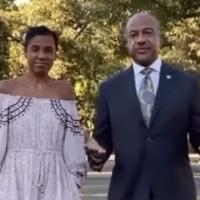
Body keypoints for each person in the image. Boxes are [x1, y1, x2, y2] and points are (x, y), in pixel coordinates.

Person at [85, 11, 200, 200]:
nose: (140, 39)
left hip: (176, 192)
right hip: (126, 193)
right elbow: (100, 149)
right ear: (127, 42)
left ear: (159, 38)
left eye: (147, 32)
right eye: (133, 35)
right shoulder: (109, 89)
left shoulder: (187, 84)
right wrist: (90, 148)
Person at [0, 25, 87, 200]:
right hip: (13, 182)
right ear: (25, 52)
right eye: (35, 49)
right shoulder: (5, 89)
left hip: (57, 184)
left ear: (55, 54)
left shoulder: (64, 91)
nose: (42, 55)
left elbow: (73, 142)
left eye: (48, 50)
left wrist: (73, 182)